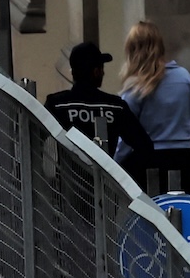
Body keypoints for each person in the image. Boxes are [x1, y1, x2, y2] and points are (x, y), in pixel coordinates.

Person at [117, 21, 190, 200]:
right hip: (183, 159)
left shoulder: (135, 87)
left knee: (149, 210)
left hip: (147, 162)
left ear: (132, 50)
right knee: (181, 208)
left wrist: (115, 163)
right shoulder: (185, 78)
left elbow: (126, 136)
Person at [43, 42, 151, 177]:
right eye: (101, 68)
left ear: (73, 72)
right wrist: (118, 174)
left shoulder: (57, 104)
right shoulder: (115, 106)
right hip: (103, 182)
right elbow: (145, 147)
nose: (103, 72)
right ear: (96, 72)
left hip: (69, 183)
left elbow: (35, 136)